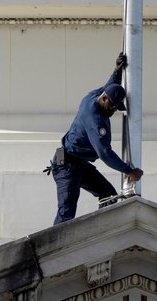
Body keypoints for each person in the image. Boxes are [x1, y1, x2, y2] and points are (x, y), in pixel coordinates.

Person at [48, 52, 144, 224]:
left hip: (79, 164)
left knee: (108, 195)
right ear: (105, 99)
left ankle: (101, 231)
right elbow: (105, 153)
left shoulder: (93, 96)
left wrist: (117, 71)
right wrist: (129, 170)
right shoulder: (95, 120)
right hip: (67, 167)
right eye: (112, 106)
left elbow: (110, 85)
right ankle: (55, 249)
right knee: (66, 211)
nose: (113, 110)